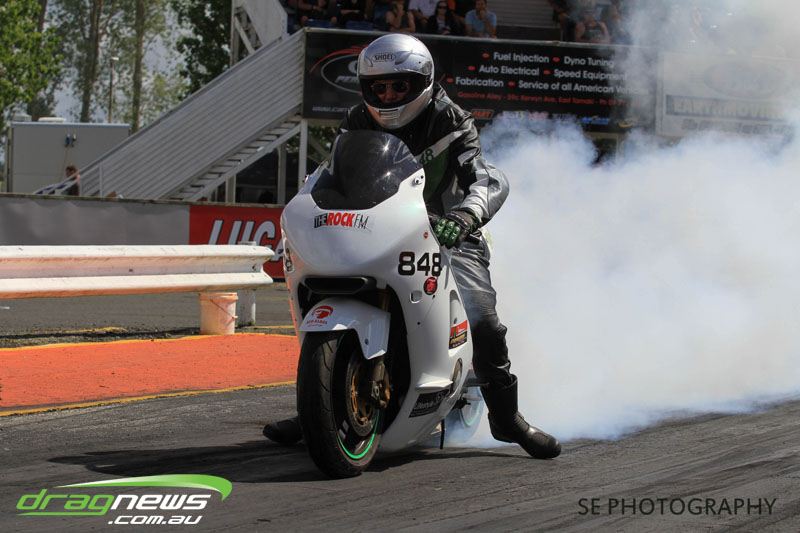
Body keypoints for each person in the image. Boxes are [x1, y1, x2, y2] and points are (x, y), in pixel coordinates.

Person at [264, 34, 562, 460]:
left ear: (422, 82)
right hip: (376, 226)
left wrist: (465, 216)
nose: (387, 96)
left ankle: (505, 415)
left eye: (398, 87)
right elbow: (334, 174)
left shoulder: (449, 118)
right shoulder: (356, 119)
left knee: (483, 319)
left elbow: (484, 177)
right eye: (379, 87)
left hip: (445, 229)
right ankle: (318, 404)